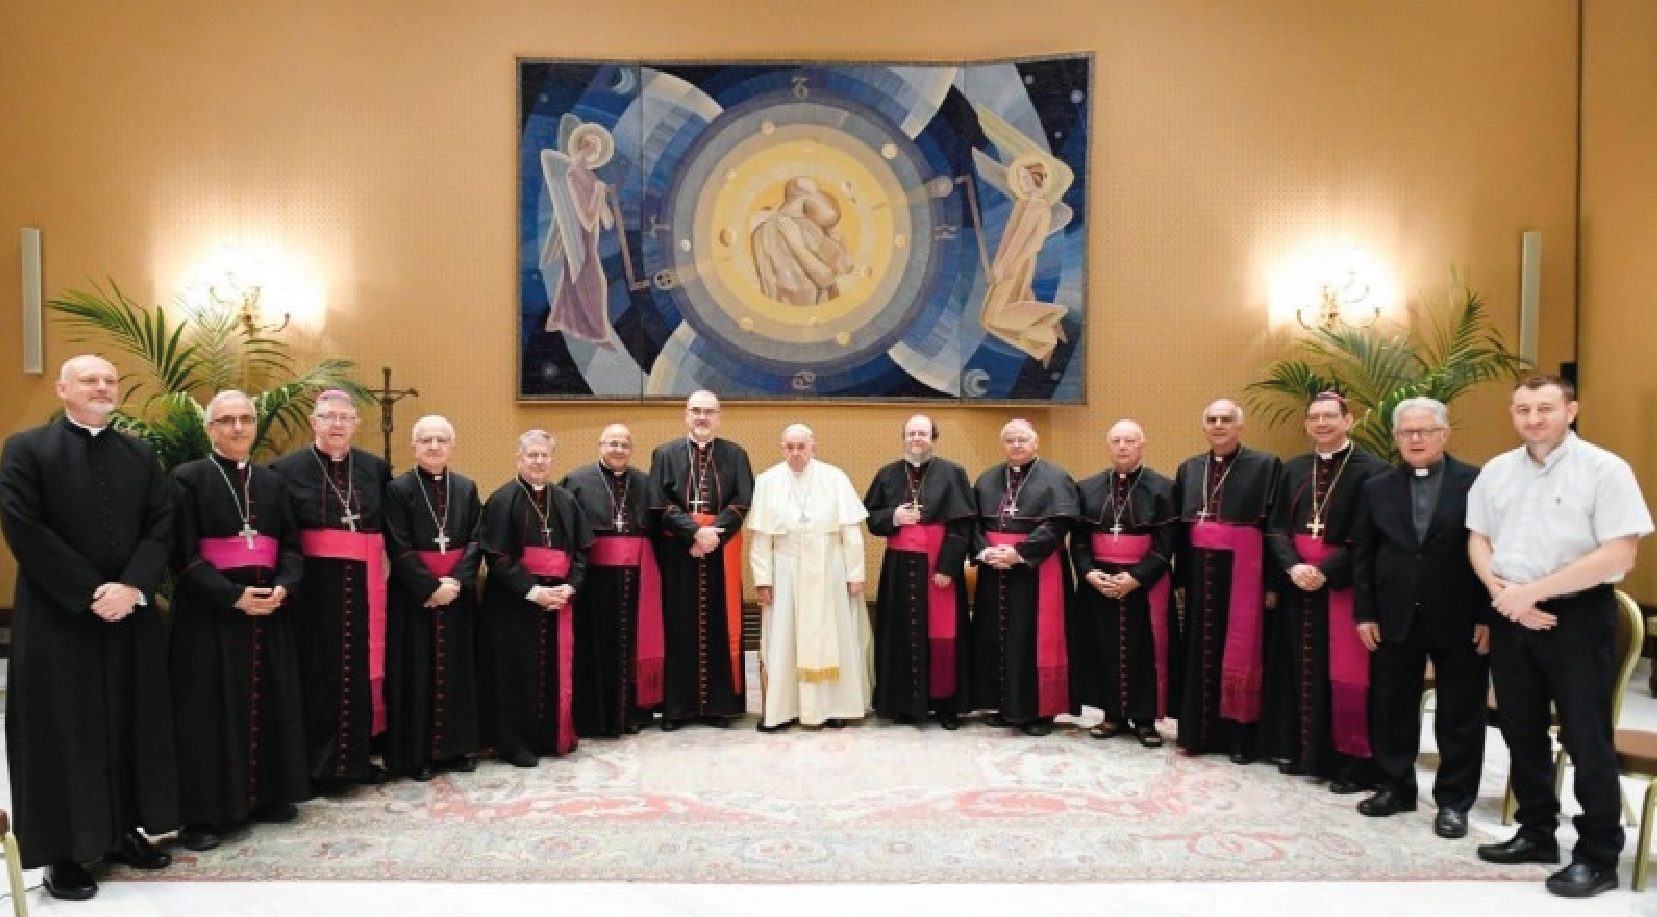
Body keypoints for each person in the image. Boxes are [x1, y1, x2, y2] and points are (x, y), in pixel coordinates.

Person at [0, 355, 177, 900]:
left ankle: (123, 830)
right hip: (59, 617)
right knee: (63, 730)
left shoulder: (139, 453)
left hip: (130, 613)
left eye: (109, 380)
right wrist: (90, 592)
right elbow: (22, 526)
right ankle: (63, 853)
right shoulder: (27, 449)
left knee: (130, 722)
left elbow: (162, 523)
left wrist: (132, 587)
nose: (102, 387)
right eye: (89, 380)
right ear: (62, 390)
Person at [1468, 375, 1652, 899]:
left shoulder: (1605, 469)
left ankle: (1598, 853)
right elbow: (1478, 538)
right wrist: (1500, 591)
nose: (1533, 419)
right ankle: (1536, 831)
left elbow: (1619, 553)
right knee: (1519, 729)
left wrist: (1534, 594)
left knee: (1584, 736)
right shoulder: (1498, 471)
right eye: (1523, 409)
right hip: (1510, 613)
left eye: (1545, 408)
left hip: (1576, 617)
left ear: (1571, 410)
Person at [169, 390, 309, 853]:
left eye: (246, 419)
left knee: (269, 701)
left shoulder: (272, 482)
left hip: (268, 612)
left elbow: (291, 545)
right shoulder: (187, 479)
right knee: (208, 714)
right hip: (210, 621)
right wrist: (231, 598)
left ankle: (266, 795)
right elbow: (182, 556)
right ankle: (205, 815)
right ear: (210, 428)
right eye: (226, 420)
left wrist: (285, 586)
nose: (237, 428)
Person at [1352, 397, 1489, 840]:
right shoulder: (1377, 486)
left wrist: (1488, 615)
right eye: (1406, 432)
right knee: (1392, 706)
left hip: (1461, 614)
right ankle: (1395, 787)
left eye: (1424, 431)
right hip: (1393, 613)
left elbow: (1495, 550)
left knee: (1460, 715)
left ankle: (1453, 802)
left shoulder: (1477, 482)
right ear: (1395, 438)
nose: (1415, 439)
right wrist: (1365, 611)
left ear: (1444, 434)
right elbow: (1365, 554)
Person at [1260, 392, 1387, 789]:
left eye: (1330, 417)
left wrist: (1324, 570)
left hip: (1345, 585)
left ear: (1349, 421)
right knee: (1299, 666)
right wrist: (1293, 566)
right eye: (1314, 417)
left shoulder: (1374, 471)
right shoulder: (1294, 468)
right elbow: (1276, 526)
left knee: (1345, 674)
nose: (1322, 424)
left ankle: (1348, 764)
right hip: (1298, 582)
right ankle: (1302, 751)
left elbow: (1369, 537)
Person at [271, 390, 393, 788]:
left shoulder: (375, 469)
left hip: (364, 588)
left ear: (357, 423)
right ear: (313, 422)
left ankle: (354, 760)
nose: (337, 424)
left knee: (359, 671)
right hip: (311, 591)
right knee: (316, 673)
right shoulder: (284, 470)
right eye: (329, 417)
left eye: (345, 417)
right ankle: (314, 765)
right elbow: (282, 535)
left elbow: (388, 530)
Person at [1171, 398, 1281, 762]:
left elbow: (1274, 530)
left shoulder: (1265, 466)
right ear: (1204, 427)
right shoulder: (1189, 469)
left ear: (1239, 427)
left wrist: (1272, 585)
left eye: (1226, 420)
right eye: (1211, 420)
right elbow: (1182, 533)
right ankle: (1198, 734)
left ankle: (1240, 738)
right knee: (1199, 651)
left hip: (1243, 577)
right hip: (1201, 576)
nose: (1218, 425)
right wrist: (1182, 580)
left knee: (1242, 653)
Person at [479, 430, 593, 766]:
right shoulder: (503, 499)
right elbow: (497, 557)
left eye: (544, 455)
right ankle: (515, 743)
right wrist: (534, 592)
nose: (539, 461)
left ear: (552, 459)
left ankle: (550, 735)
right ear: (520, 458)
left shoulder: (566, 500)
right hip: (514, 604)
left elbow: (583, 553)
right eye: (532, 455)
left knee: (553, 672)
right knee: (517, 672)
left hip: (559, 601)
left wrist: (569, 588)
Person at [749, 425, 872, 731]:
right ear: (782, 447)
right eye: (789, 447)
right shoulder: (767, 481)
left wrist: (856, 573)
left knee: (836, 637)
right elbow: (761, 537)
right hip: (785, 570)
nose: (796, 453)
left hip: (829, 567)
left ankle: (834, 707)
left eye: (801, 446)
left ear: (813, 446)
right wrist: (762, 579)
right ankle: (782, 709)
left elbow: (851, 532)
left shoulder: (835, 477)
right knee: (782, 640)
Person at [646, 390, 754, 730]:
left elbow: (743, 501)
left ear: (719, 417)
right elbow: (658, 503)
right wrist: (693, 533)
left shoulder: (735, 454)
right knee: (678, 627)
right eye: (696, 411)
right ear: (686, 415)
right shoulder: (665, 454)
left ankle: (720, 706)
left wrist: (712, 534)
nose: (702, 418)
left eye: (709, 412)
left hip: (720, 549)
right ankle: (678, 708)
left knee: (721, 627)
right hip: (679, 551)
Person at [383, 415, 483, 780]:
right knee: (416, 673)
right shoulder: (398, 489)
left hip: (456, 596)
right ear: (414, 446)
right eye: (426, 440)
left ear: (452, 446)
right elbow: (398, 545)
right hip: (414, 599)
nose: (434, 446)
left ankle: (456, 748)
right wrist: (430, 588)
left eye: (441, 440)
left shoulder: (466, 487)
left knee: (459, 671)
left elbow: (476, 540)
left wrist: (454, 583)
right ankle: (417, 755)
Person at [1071, 419, 1178, 748]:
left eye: (1129, 441)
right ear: (1108, 445)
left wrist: (1136, 578)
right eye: (1116, 440)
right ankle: (1112, 714)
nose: (1122, 447)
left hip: (1145, 584)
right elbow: (1079, 541)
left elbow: (1166, 544)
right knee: (1103, 645)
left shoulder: (1163, 488)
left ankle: (1146, 720)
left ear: (1141, 445)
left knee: (1145, 649)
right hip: (1100, 582)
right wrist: (1089, 573)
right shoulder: (1087, 487)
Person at [864, 415, 976, 729]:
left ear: (933, 438)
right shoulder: (887, 474)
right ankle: (903, 703)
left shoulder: (953, 473)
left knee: (944, 637)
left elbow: (962, 525)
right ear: (904, 438)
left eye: (923, 434)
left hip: (938, 566)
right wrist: (894, 517)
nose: (916, 439)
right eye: (911, 433)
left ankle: (946, 706)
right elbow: (871, 518)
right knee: (899, 633)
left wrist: (948, 567)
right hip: (900, 569)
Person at [970, 419, 1079, 736]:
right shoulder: (988, 478)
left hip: (1037, 569)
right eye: (1010, 440)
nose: (1016, 445)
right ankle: (1005, 706)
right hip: (996, 570)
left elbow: (1058, 524)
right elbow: (972, 523)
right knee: (997, 637)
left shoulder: (1056, 477)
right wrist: (986, 552)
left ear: (1036, 442)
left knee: (1032, 640)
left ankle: (1039, 711)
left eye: (1022, 439)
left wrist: (1019, 553)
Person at [561, 423, 662, 737]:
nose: (619, 450)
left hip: (637, 580)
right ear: (600, 445)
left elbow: (658, 528)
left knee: (632, 644)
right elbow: (569, 534)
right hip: (594, 582)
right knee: (595, 645)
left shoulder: (645, 482)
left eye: (624, 445)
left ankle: (633, 713)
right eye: (612, 444)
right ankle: (594, 716)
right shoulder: (576, 481)